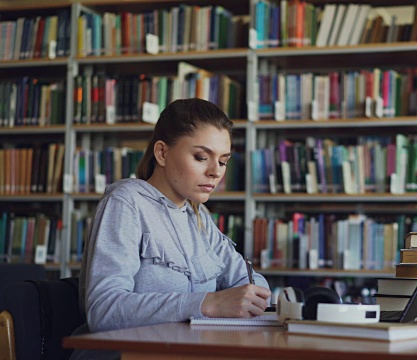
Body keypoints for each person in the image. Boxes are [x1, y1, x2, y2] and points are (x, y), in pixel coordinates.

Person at [71, 99, 270, 357]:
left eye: (223, 161)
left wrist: (251, 297)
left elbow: (251, 281)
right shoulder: (126, 202)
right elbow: (104, 310)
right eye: (201, 157)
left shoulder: (198, 215)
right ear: (162, 153)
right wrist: (207, 303)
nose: (215, 172)